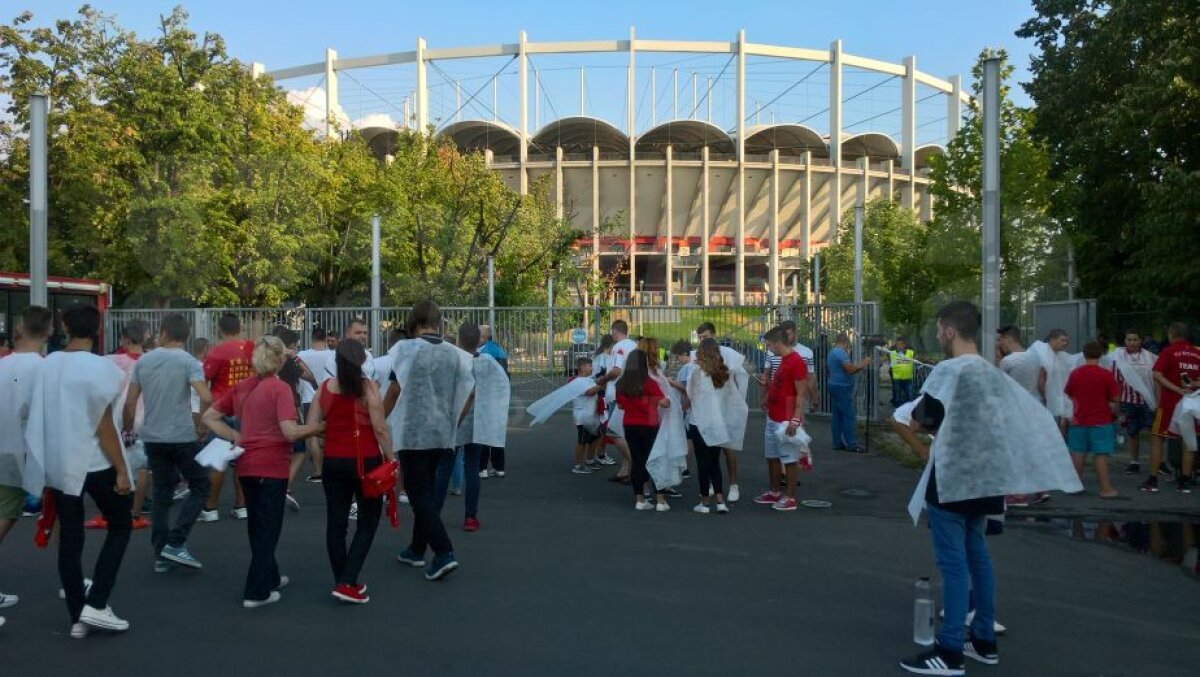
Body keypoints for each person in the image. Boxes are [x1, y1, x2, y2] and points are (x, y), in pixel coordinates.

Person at [899, 301, 1082, 675]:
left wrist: (921, 421)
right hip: (986, 480)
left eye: (939, 329)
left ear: (950, 331)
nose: (938, 335)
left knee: (953, 563)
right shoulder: (991, 372)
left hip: (952, 478)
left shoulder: (949, 371)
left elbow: (924, 418)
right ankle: (983, 640)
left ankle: (949, 650)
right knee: (978, 557)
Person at [24, 304, 134, 638]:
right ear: (98, 329)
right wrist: (121, 469)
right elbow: (104, 424)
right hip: (95, 461)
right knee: (120, 524)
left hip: (59, 462)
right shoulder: (103, 368)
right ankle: (97, 602)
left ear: (64, 326)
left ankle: (78, 618)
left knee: (70, 539)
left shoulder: (48, 364)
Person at [202, 336, 322, 608]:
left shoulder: (242, 387)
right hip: (272, 467)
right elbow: (289, 432)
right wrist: (318, 428)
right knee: (268, 529)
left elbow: (209, 417)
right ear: (279, 360)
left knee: (258, 526)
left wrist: (235, 435)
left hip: (246, 466)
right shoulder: (279, 389)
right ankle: (256, 592)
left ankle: (270, 576)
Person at [386, 300, 474, 581]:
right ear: (438, 322)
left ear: (413, 322)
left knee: (418, 493)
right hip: (441, 431)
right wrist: (454, 422)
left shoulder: (405, 350)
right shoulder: (456, 354)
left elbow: (394, 391)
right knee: (427, 491)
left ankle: (444, 551)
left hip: (412, 431)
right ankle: (416, 548)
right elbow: (469, 393)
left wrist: (377, 421)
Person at [122, 313, 213, 573]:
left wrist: (128, 427)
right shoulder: (189, 362)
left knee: (162, 493)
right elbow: (206, 396)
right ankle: (176, 541)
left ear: (163, 332)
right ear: (186, 335)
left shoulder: (144, 361)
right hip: (181, 435)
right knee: (201, 485)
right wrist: (202, 425)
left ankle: (161, 554)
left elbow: (130, 402)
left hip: (152, 436)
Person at [304, 339, 393, 604]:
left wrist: (334, 429)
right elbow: (379, 428)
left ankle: (343, 579)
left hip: (333, 460)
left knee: (336, 522)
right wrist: (391, 458)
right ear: (363, 361)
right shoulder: (368, 388)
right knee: (368, 521)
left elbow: (313, 425)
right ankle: (347, 581)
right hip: (366, 460)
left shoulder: (324, 389)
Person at [0, 306, 52, 625]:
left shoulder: (4, 364)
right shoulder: (44, 369)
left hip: (4, 445)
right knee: (8, 512)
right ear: (49, 332)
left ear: (20, 328)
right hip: (23, 450)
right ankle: (73, 579)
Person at [437, 322, 509, 532]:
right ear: (479, 340)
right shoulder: (486, 362)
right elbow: (500, 386)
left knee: (444, 468)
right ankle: (470, 516)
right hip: (476, 422)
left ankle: (434, 513)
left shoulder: (452, 360)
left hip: (453, 420)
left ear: (458, 340)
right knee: (472, 468)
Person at [201, 313, 255, 521]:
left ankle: (210, 508)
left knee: (217, 461)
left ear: (219, 330)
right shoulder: (251, 348)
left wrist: (202, 418)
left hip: (221, 410)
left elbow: (205, 382)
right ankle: (242, 506)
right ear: (240, 328)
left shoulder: (216, 352)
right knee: (242, 459)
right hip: (246, 409)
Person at [98, 320, 151, 531]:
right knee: (143, 466)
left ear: (123, 339)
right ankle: (135, 513)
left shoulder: (111, 361)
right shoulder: (152, 361)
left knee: (115, 461)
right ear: (145, 337)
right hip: (145, 417)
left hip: (117, 416)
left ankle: (113, 511)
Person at [753, 327, 810, 512]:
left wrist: (795, 419)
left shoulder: (796, 361)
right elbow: (781, 385)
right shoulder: (784, 360)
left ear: (778, 343)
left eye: (769, 345)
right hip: (773, 414)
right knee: (772, 456)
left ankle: (790, 497)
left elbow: (801, 393)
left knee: (789, 458)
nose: (768, 349)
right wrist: (767, 389)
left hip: (785, 418)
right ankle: (775, 491)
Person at [686, 338, 744, 514]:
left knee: (702, 463)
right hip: (718, 422)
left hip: (699, 421)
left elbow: (691, 396)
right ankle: (720, 501)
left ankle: (704, 501)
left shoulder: (696, 372)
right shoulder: (724, 373)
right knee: (714, 462)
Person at [1142, 323, 1200, 494]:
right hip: (1191, 404)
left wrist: (1176, 389)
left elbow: (1157, 374)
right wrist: (1192, 384)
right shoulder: (1197, 353)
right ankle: (1184, 482)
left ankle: (1153, 480)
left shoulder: (1168, 352)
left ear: (1171, 335)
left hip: (1169, 403)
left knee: (1157, 438)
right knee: (1189, 441)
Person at [696, 322, 750, 501]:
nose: (702, 340)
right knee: (711, 448)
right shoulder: (698, 354)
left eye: (705, 337)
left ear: (714, 335)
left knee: (728, 447)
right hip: (709, 409)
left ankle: (733, 485)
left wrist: (739, 400)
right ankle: (714, 484)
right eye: (700, 337)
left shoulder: (728, 353)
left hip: (726, 407)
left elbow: (741, 377)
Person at [616, 349, 671, 512]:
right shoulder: (649, 382)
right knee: (655, 459)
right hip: (649, 424)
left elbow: (620, 405)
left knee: (637, 461)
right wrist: (666, 399)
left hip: (629, 424)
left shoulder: (621, 383)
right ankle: (660, 500)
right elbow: (664, 403)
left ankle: (639, 499)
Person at [1064, 341, 1121, 498]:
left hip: (1078, 419)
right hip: (1101, 420)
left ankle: (1075, 487)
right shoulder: (1106, 374)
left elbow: (1068, 394)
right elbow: (1115, 398)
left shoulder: (1075, 373)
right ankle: (1105, 489)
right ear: (1101, 355)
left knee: (1078, 453)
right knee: (1101, 455)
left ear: (1084, 354)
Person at [594, 321, 639, 483]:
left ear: (614, 331)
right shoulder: (634, 345)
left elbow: (616, 370)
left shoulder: (618, 347)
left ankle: (637, 466)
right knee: (627, 434)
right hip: (632, 392)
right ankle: (625, 470)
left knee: (614, 433)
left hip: (617, 393)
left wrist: (603, 379)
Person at [1108, 330, 1157, 474]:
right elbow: (1116, 383)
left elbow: (1156, 380)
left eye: (1135, 339)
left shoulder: (1151, 358)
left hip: (1148, 401)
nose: (1132, 342)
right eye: (1129, 340)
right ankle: (1134, 462)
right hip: (1128, 401)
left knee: (1154, 433)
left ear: (1140, 341)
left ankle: (1157, 462)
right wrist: (1116, 405)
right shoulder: (1117, 358)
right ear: (1125, 341)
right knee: (1132, 432)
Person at [297, 327, 332, 483]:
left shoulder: (302, 355)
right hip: (328, 396)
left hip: (308, 397)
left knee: (312, 434)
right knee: (328, 431)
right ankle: (330, 468)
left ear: (311, 338)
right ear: (325, 339)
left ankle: (318, 472)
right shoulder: (332, 355)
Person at [827, 333, 872, 453]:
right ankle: (851, 444)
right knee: (849, 416)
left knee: (837, 416)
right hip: (842, 387)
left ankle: (837, 443)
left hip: (834, 384)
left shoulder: (832, 352)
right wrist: (864, 363)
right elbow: (850, 369)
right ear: (846, 342)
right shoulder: (840, 353)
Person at [475, 325, 509, 480]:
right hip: (500, 396)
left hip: (486, 396)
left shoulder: (484, 352)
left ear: (483, 337)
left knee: (483, 432)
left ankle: (482, 468)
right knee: (497, 431)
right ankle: (499, 467)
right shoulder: (499, 349)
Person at [569, 357, 604, 474]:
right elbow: (590, 392)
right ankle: (578, 466)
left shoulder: (588, 380)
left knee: (595, 438)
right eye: (590, 365)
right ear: (582, 367)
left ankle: (590, 460)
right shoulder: (577, 381)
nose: (592, 368)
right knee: (582, 441)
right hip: (582, 416)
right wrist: (602, 383)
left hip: (591, 415)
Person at [591, 335, 620, 469]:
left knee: (603, 426)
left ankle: (599, 454)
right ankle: (600, 454)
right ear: (612, 345)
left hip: (603, 395)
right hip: (603, 396)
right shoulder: (604, 358)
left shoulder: (599, 357)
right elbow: (598, 378)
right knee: (604, 427)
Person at [996, 326, 1041, 400]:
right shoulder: (1034, 356)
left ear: (1009, 339)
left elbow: (1000, 386)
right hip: (1034, 401)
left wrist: (997, 351)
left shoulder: (1007, 361)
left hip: (1017, 402)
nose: (1000, 344)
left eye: (1000, 340)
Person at [889, 336, 917, 408]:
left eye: (901, 344)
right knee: (897, 396)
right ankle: (897, 409)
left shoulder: (910, 352)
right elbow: (892, 365)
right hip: (897, 378)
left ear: (904, 345)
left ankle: (910, 410)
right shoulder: (892, 353)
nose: (899, 346)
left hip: (908, 378)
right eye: (897, 344)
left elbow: (917, 359)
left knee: (910, 395)